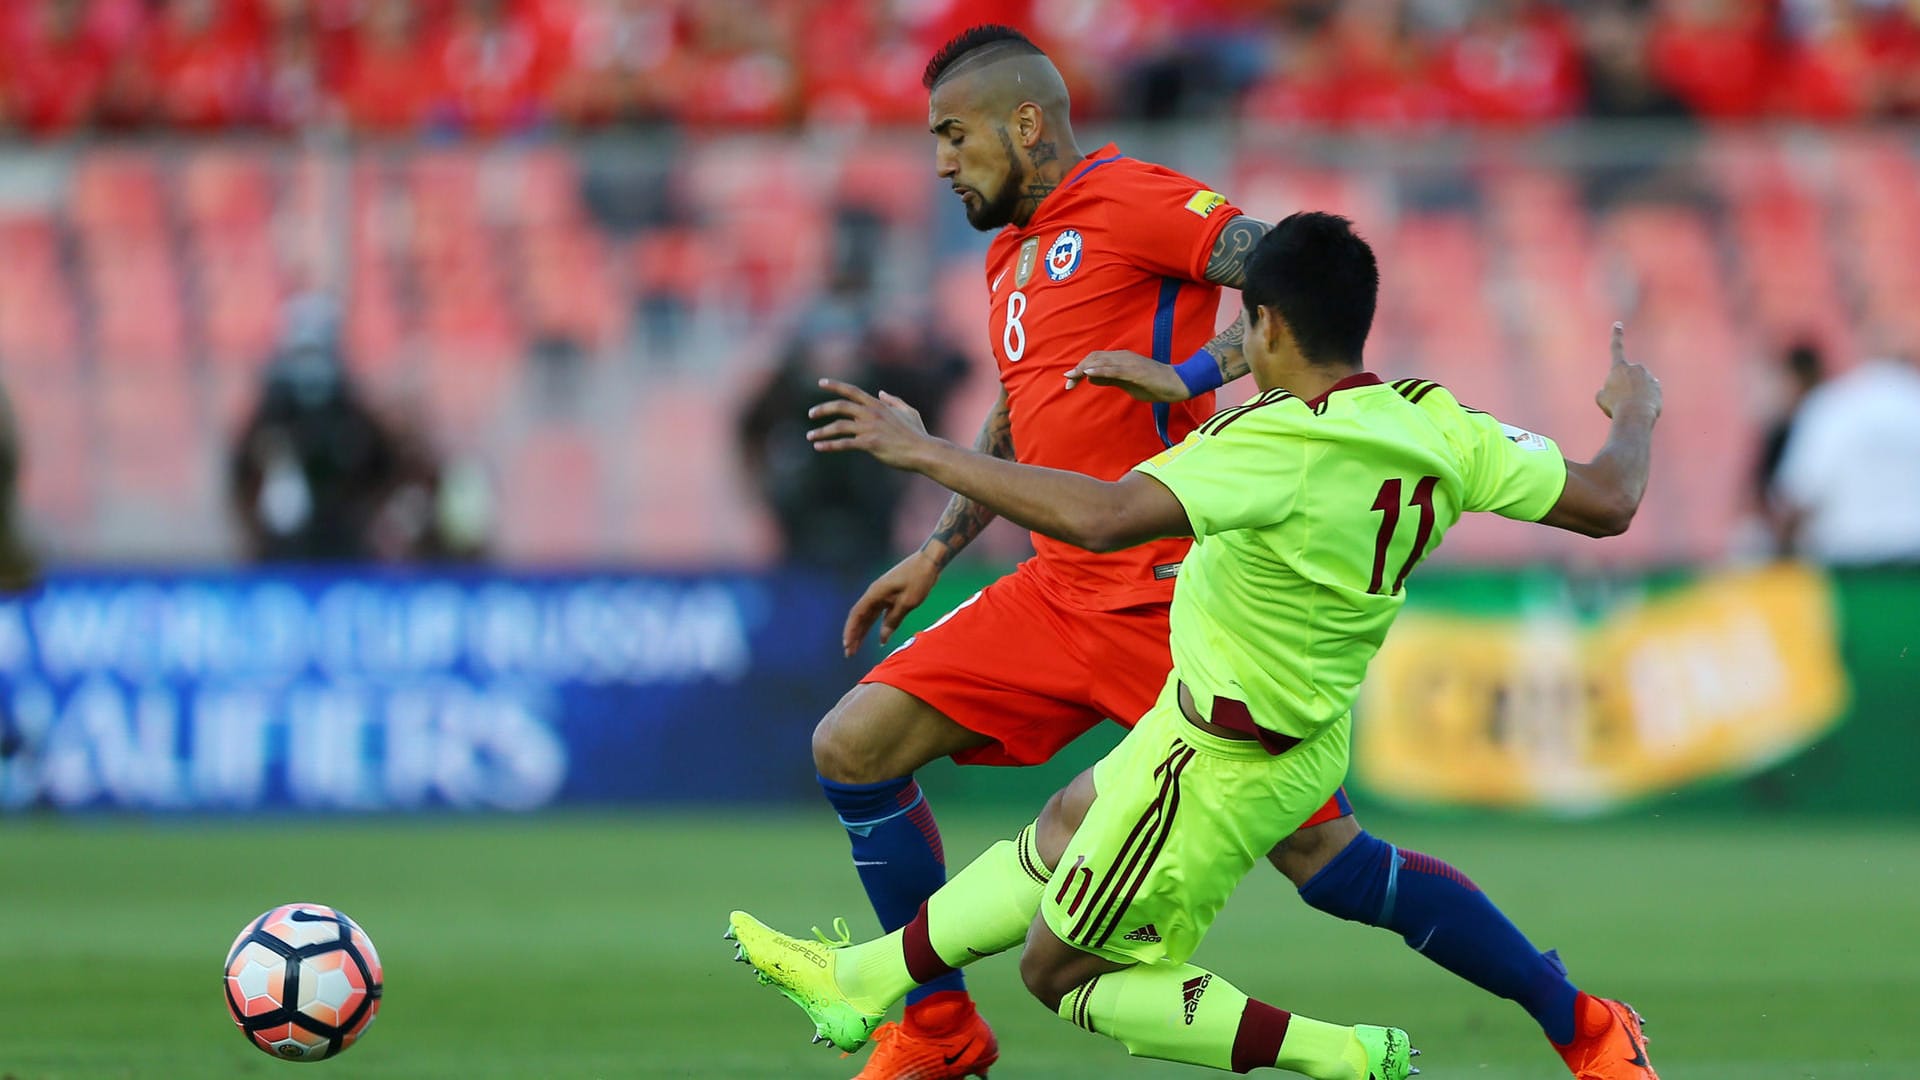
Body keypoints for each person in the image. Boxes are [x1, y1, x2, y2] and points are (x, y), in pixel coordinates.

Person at [807, 24, 1656, 1080]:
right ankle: (936, 1029)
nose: (941, 162)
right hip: (1057, 581)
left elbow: (1279, 276)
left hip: (1166, 587)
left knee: (1327, 864)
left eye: (953, 135)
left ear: (1025, 124)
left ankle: (1577, 1019)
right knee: (853, 748)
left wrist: (1195, 372)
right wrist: (938, 550)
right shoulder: (1008, 256)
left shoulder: (1135, 199)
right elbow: (1027, 415)